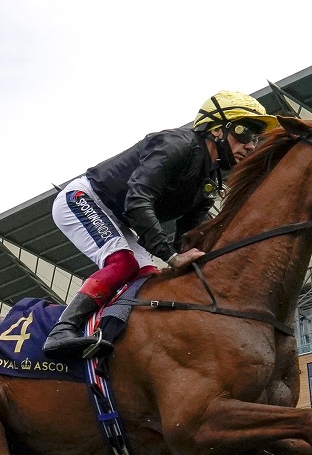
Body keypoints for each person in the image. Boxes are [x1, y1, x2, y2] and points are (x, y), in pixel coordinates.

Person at [41, 91, 277, 359]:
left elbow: (188, 234)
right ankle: (61, 331)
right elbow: (138, 199)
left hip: (117, 217)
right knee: (123, 264)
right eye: (245, 133)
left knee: (149, 278)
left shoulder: (212, 177)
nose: (251, 146)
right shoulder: (177, 144)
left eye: (256, 139)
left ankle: (109, 336)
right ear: (216, 130)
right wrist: (171, 255)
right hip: (83, 198)